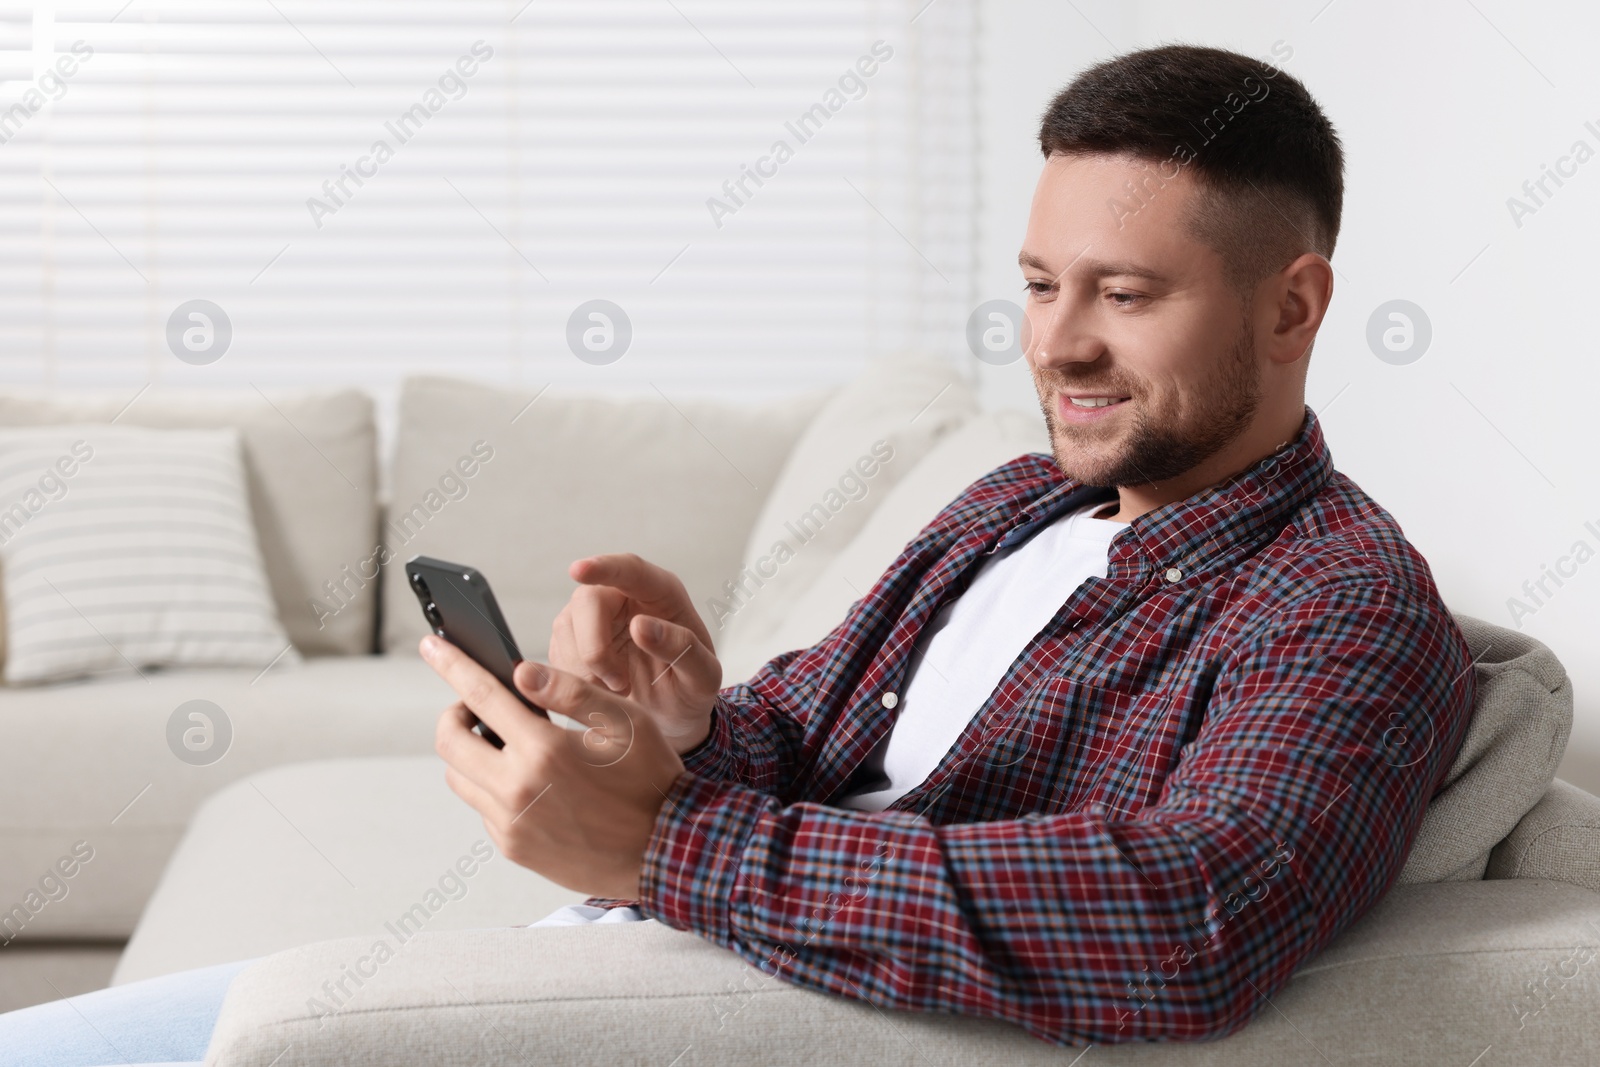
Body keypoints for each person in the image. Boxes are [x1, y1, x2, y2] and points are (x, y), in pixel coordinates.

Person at [0, 43, 1474, 1061]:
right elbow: (805, 731)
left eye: (1126, 295)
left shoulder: (1339, 601)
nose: (1058, 343)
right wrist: (675, 728)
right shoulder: (1016, 500)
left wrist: (660, 841)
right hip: (618, 949)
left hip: (706, 1007)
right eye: (1037, 284)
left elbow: (1186, 915)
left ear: (1292, 307)